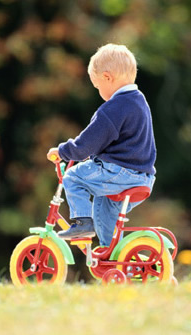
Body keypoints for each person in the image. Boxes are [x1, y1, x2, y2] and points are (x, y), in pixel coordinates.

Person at [46, 43, 156, 246]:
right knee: (103, 209)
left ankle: (82, 223)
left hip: (119, 172)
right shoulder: (140, 101)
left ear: (107, 77)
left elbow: (85, 145)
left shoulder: (113, 108)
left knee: (73, 177)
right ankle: (112, 259)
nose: (99, 92)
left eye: (97, 86)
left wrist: (63, 151)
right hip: (143, 177)